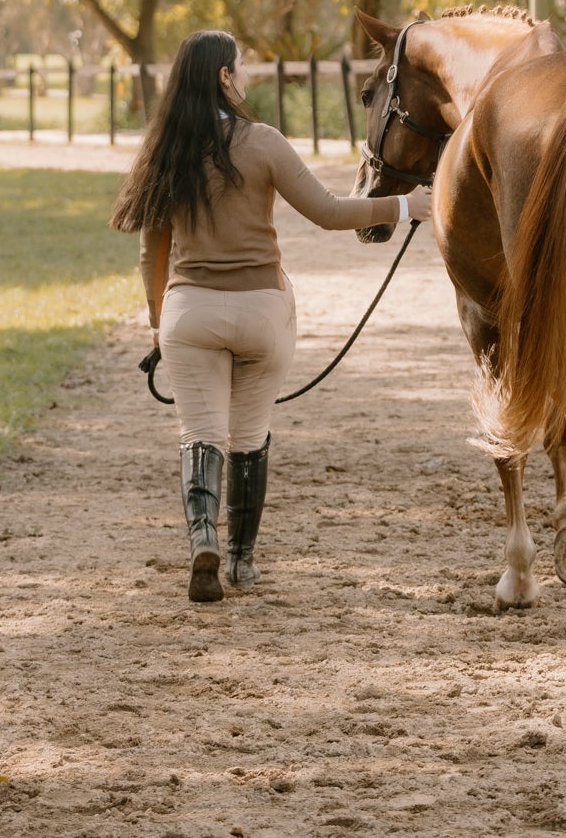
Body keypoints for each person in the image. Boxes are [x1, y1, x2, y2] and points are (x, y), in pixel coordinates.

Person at [110, 30, 429, 603]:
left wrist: (159, 322)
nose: (248, 76)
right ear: (224, 78)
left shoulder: (165, 148)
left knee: (199, 434)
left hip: (189, 316)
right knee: (248, 437)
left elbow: (150, 250)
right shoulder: (262, 142)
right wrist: (408, 204)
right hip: (262, 312)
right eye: (242, 67)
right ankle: (241, 560)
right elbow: (330, 212)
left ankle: (203, 538)